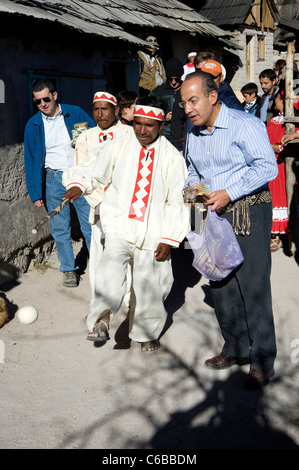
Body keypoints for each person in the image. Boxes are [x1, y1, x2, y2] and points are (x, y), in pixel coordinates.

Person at [62, 96, 190, 352]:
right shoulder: (118, 146)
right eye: (137, 124)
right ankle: (101, 319)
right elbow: (93, 169)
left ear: (161, 125)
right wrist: (79, 184)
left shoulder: (172, 158)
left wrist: (169, 237)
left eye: (149, 125)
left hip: (154, 230)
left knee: (151, 283)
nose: (142, 130)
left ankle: (146, 332)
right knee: (110, 269)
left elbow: (178, 201)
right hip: (120, 224)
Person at [180, 71, 278, 389]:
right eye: (183, 102)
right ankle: (235, 349)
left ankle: (262, 360)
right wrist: (194, 225)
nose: (187, 108)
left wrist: (230, 192)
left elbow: (267, 166)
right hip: (211, 217)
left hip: (249, 211)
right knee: (221, 287)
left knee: (253, 287)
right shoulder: (193, 133)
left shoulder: (244, 124)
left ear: (212, 97)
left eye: (193, 100)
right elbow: (192, 172)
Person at [24, 79, 95, 287]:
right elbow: (30, 158)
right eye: (38, 101)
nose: (43, 104)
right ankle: (68, 270)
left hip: (79, 177)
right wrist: (35, 191)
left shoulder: (76, 113)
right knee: (60, 228)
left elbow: (94, 140)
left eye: (46, 99)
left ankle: (101, 265)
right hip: (54, 179)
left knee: (89, 224)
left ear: (55, 95)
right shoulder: (33, 125)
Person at [74, 91, 134, 316]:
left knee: (126, 254)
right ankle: (101, 301)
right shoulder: (85, 138)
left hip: (126, 207)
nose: (100, 114)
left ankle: (128, 298)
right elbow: (82, 176)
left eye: (105, 109)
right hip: (99, 208)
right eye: (96, 109)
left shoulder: (130, 133)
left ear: (116, 110)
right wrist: (99, 203)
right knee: (100, 255)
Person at [266, 90, 299, 253]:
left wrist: (271, 147)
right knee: (274, 198)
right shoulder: (272, 121)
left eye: (277, 99)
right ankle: (275, 236)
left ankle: (288, 236)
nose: (274, 102)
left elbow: (282, 147)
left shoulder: (291, 123)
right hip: (273, 166)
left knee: (285, 198)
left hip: (284, 165)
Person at [150, 58, 184, 145]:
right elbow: (151, 112)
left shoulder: (187, 89)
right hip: (165, 134)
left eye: (176, 79)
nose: (173, 82)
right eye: (170, 79)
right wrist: (164, 117)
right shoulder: (158, 92)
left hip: (183, 134)